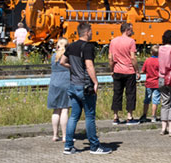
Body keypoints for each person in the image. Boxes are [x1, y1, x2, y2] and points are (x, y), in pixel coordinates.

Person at [61, 22, 111, 154]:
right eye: (91, 31)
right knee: (90, 116)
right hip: (85, 86)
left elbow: (62, 61)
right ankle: (94, 146)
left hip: (73, 86)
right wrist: (95, 82)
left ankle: (68, 146)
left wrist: (73, 68)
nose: (92, 33)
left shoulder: (71, 46)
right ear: (87, 32)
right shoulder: (87, 47)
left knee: (74, 117)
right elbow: (89, 66)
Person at [109, 23, 139, 125]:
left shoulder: (113, 41)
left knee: (117, 93)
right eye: (131, 30)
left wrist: (112, 69)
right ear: (127, 30)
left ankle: (115, 117)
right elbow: (133, 58)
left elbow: (110, 58)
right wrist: (137, 71)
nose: (132, 32)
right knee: (130, 94)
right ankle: (129, 117)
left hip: (117, 70)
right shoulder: (131, 41)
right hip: (129, 71)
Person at [47, 38, 71, 142]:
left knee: (56, 109)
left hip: (54, 83)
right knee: (64, 109)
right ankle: (65, 136)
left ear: (57, 46)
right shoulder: (68, 57)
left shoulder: (53, 57)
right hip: (65, 82)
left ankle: (55, 135)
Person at [139, 45, 160, 123]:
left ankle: (144, 115)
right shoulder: (160, 61)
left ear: (151, 52)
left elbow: (143, 70)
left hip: (148, 83)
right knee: (155, 100)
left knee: (147, 100)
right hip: (157, 83)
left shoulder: (147, 60)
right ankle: (153, 116)